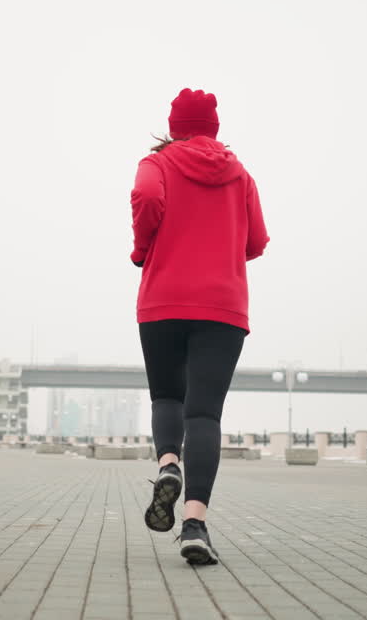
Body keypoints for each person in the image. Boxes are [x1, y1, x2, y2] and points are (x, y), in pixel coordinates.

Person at [130, 88, 269, 565]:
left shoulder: (158, 164)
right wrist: (224, 247)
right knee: (204, 415)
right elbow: (257, 241)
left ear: (175, 125)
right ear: (213, 127)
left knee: (167, 397)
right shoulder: (240, 174)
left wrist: (144, 246)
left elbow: (147, 198)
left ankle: (168, 464)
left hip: (163, 300)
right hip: (222, 307)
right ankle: (195, 525)